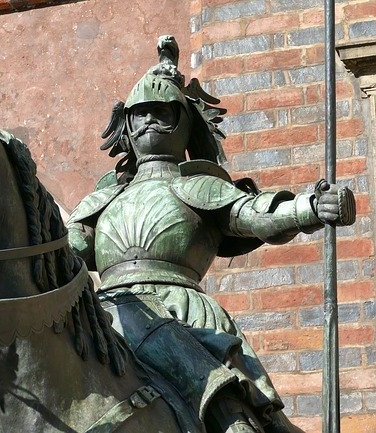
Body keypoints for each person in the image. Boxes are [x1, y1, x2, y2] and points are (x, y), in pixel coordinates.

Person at [66, 36, 356, 433]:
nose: (149, 121)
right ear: (126, 126)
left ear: (183, 123)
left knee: (217, 394)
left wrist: (308, 207)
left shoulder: (199, 185)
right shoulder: (104, 197)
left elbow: (253, 214)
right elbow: (64, 250)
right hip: (103, 311)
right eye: (139, 114)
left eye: (162, 113)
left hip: (176, 310)